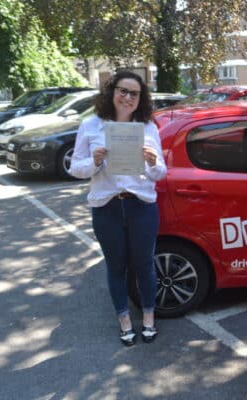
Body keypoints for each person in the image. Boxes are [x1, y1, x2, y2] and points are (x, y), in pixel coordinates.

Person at [69, 71, 167, 346]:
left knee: (145, 265)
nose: (127, 97)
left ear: (141, 99)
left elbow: (160, 174)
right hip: (107, 207)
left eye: (134, 94)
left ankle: (148, 317)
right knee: (116, 267)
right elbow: (75, 169)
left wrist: (150, 161)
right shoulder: (90, 125)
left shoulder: (148, 128)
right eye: (122, 91)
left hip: (141, 206)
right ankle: (124, 320)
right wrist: (95, 161)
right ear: (112, 92)